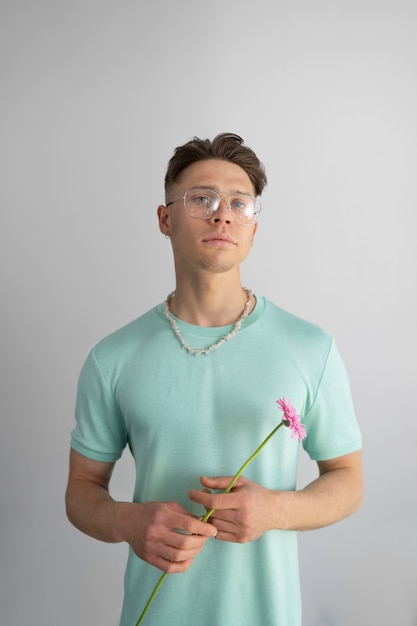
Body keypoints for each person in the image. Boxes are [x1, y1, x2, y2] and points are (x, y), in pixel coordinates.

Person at [65, 133, 363, 626]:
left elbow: (348, 481)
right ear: (165, 219)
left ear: (253, 228)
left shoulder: (311, 348)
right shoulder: (112, 357)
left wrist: (274, 511)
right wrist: (127, 520)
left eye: (239, 204)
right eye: (201, 199)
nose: (222, 214)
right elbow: (82, 490)